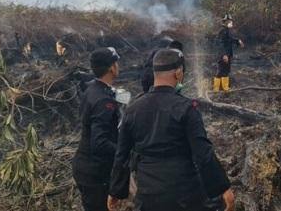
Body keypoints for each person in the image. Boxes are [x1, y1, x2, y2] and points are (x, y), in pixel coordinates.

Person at [108, 48, 235, 211]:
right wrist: (223, 188)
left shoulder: (133, 109)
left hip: (148, 196)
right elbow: (203, 153)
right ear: (178, 73)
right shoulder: (187, 108)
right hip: (185, 196)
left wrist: (115, 191)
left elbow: (122, 155)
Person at [72, 47, 122, 211]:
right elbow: (99, 143)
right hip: (94, 173)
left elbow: (115, 95)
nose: (118, 66)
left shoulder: (92, 88)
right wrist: (124, 152)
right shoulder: (102, 101)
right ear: (111, 68)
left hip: (85, 167)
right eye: (116, 62)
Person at [213, 14, 243, 92]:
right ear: (225, 22)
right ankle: (216, 89)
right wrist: (224, 55)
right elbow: (221, 43)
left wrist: (238, 41)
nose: (231, 22)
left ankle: (225, 88)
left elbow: (230, 39)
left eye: (231, 21)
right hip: (223, 55)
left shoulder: (227, 31)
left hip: (228, 54)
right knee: (221, 70)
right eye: (229, 21)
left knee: (226, 70)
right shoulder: (223, 31)